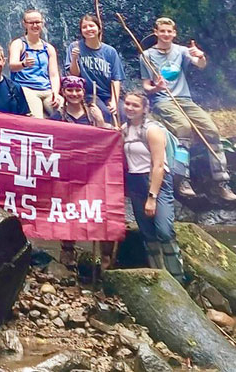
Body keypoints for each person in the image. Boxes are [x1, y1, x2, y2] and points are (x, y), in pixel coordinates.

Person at [141, 16, 236, 202]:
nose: (166, 34)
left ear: (174, 33)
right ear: (156, 32)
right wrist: (156, 88)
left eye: (169, 31)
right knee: (183, 128)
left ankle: (221, 182)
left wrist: (200, 56)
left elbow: (200, 65)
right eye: (162, 31)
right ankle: (182, 178)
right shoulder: (146, 56)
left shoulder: (182, 51)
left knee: (212, 130)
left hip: (185, 99)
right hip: (163, 100)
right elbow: (145, 86)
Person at [119, 90, 186, 282]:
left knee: (164, 230)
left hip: (156, 182)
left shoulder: (153, 130)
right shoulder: (124, 129)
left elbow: (158, 166)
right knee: (147, 233)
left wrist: (152, 197)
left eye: (135, 105)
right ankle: (159, 276)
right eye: (128, 104)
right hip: (135, 181)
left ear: (144, 108)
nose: (130, 108)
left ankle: (178, 277)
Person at [53, 74, 112, 278]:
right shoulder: (57, 116)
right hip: (68, 171)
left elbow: (110, 136)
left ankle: (106, 257)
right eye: (69, 90)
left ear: (83, 91)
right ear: (63, 91)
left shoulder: (95, 112)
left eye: (77, 90)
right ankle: (67, 250)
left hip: (94, 171)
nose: (74, 93)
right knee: (69, 209)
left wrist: (101, 120)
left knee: (101, 209)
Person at [67, 14, 124, 117]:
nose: (88, 29)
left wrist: (114, 101)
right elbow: (74, 74)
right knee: (105, 113)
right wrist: (75, 58)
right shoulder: (75, 47)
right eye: (84, 27)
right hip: (88, 93)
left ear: (99, 28)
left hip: (108, 94)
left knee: (123, 113)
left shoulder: (110, 51)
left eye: (91, 26)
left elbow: (116, 79)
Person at [9, 10, 61, 119]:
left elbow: (54, 75)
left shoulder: (49, 48)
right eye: (31, 23)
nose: (35, 25)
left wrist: (55, 93)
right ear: (24, 24)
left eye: (38, 22)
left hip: (46, 89)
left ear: (42, 23)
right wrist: (23, 64)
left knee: (63, 114)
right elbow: (12, 66)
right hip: (27, 88)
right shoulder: (18, 44)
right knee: (37, 118)